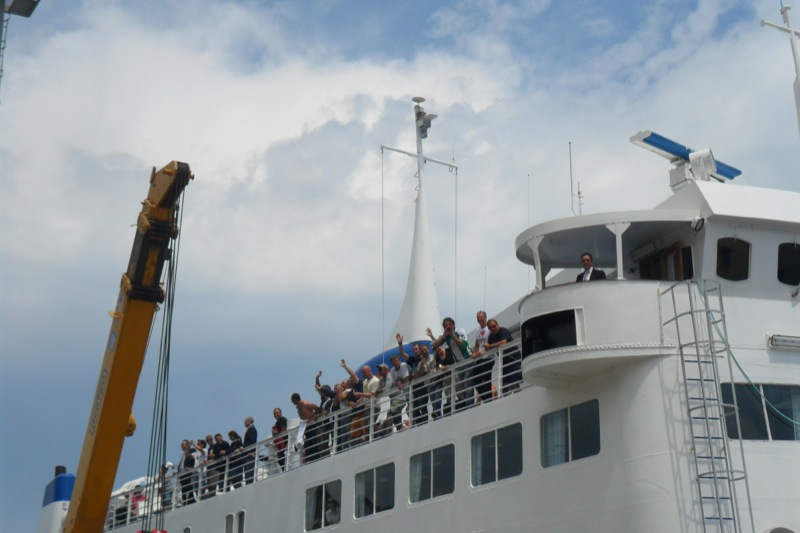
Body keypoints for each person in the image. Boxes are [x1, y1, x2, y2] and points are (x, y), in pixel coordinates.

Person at [486, 318, 518, 393]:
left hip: (513, 359)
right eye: (490, 328)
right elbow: (488, 347)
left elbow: (504, 342)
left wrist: (490, 346)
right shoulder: (491, 336)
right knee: (505, 383)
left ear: (497, 324)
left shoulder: (503, 330)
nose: (493, 329)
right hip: (504, 361)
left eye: (494, 326)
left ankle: (517, 395)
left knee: (514, 380)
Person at [471, 310, 495, 403]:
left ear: (485, 317)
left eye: (481, 317)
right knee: (475, 379)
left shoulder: (489, 329)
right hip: (479, 359)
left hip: (488, 357)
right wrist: (474, 353)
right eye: (478, 317)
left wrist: (480, 352)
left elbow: (490, 344)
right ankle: (487, 398)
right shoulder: (477, 330)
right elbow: (477, 344)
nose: (480, 319)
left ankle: (488, 399)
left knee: (486, 379)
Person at [291, 392, 320, 462]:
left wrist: (313, 417)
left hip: (312, 424)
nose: (292, 402)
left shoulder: (305, 403)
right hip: (306, 425)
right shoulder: (298, 407)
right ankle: (310, 458)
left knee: (314, 440)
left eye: (292, 400)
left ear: (295, 399)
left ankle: (316, 457)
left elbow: (317, 408)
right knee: (308, 442)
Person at [177, 439, 196, 505]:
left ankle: (191, 500)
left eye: (183, 444)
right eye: (181, 444)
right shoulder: (183, 454)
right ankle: (186, 501)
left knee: (188, 487)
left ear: (187, 445)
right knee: (184, 489)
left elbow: (189, 456)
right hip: (182, 474)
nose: (181, 445)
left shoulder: (192, 450)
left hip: (188, 473)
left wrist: (189, 447)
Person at [242, 416, 257, 484]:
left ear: (249, 421)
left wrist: (246, 449)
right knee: (248, 473)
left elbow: (252, 441)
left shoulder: (251, 429)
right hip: (248, 453)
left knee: (249, 473)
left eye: (245, 421)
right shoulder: (250, 429)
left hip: (249, 454)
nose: (244, 423)